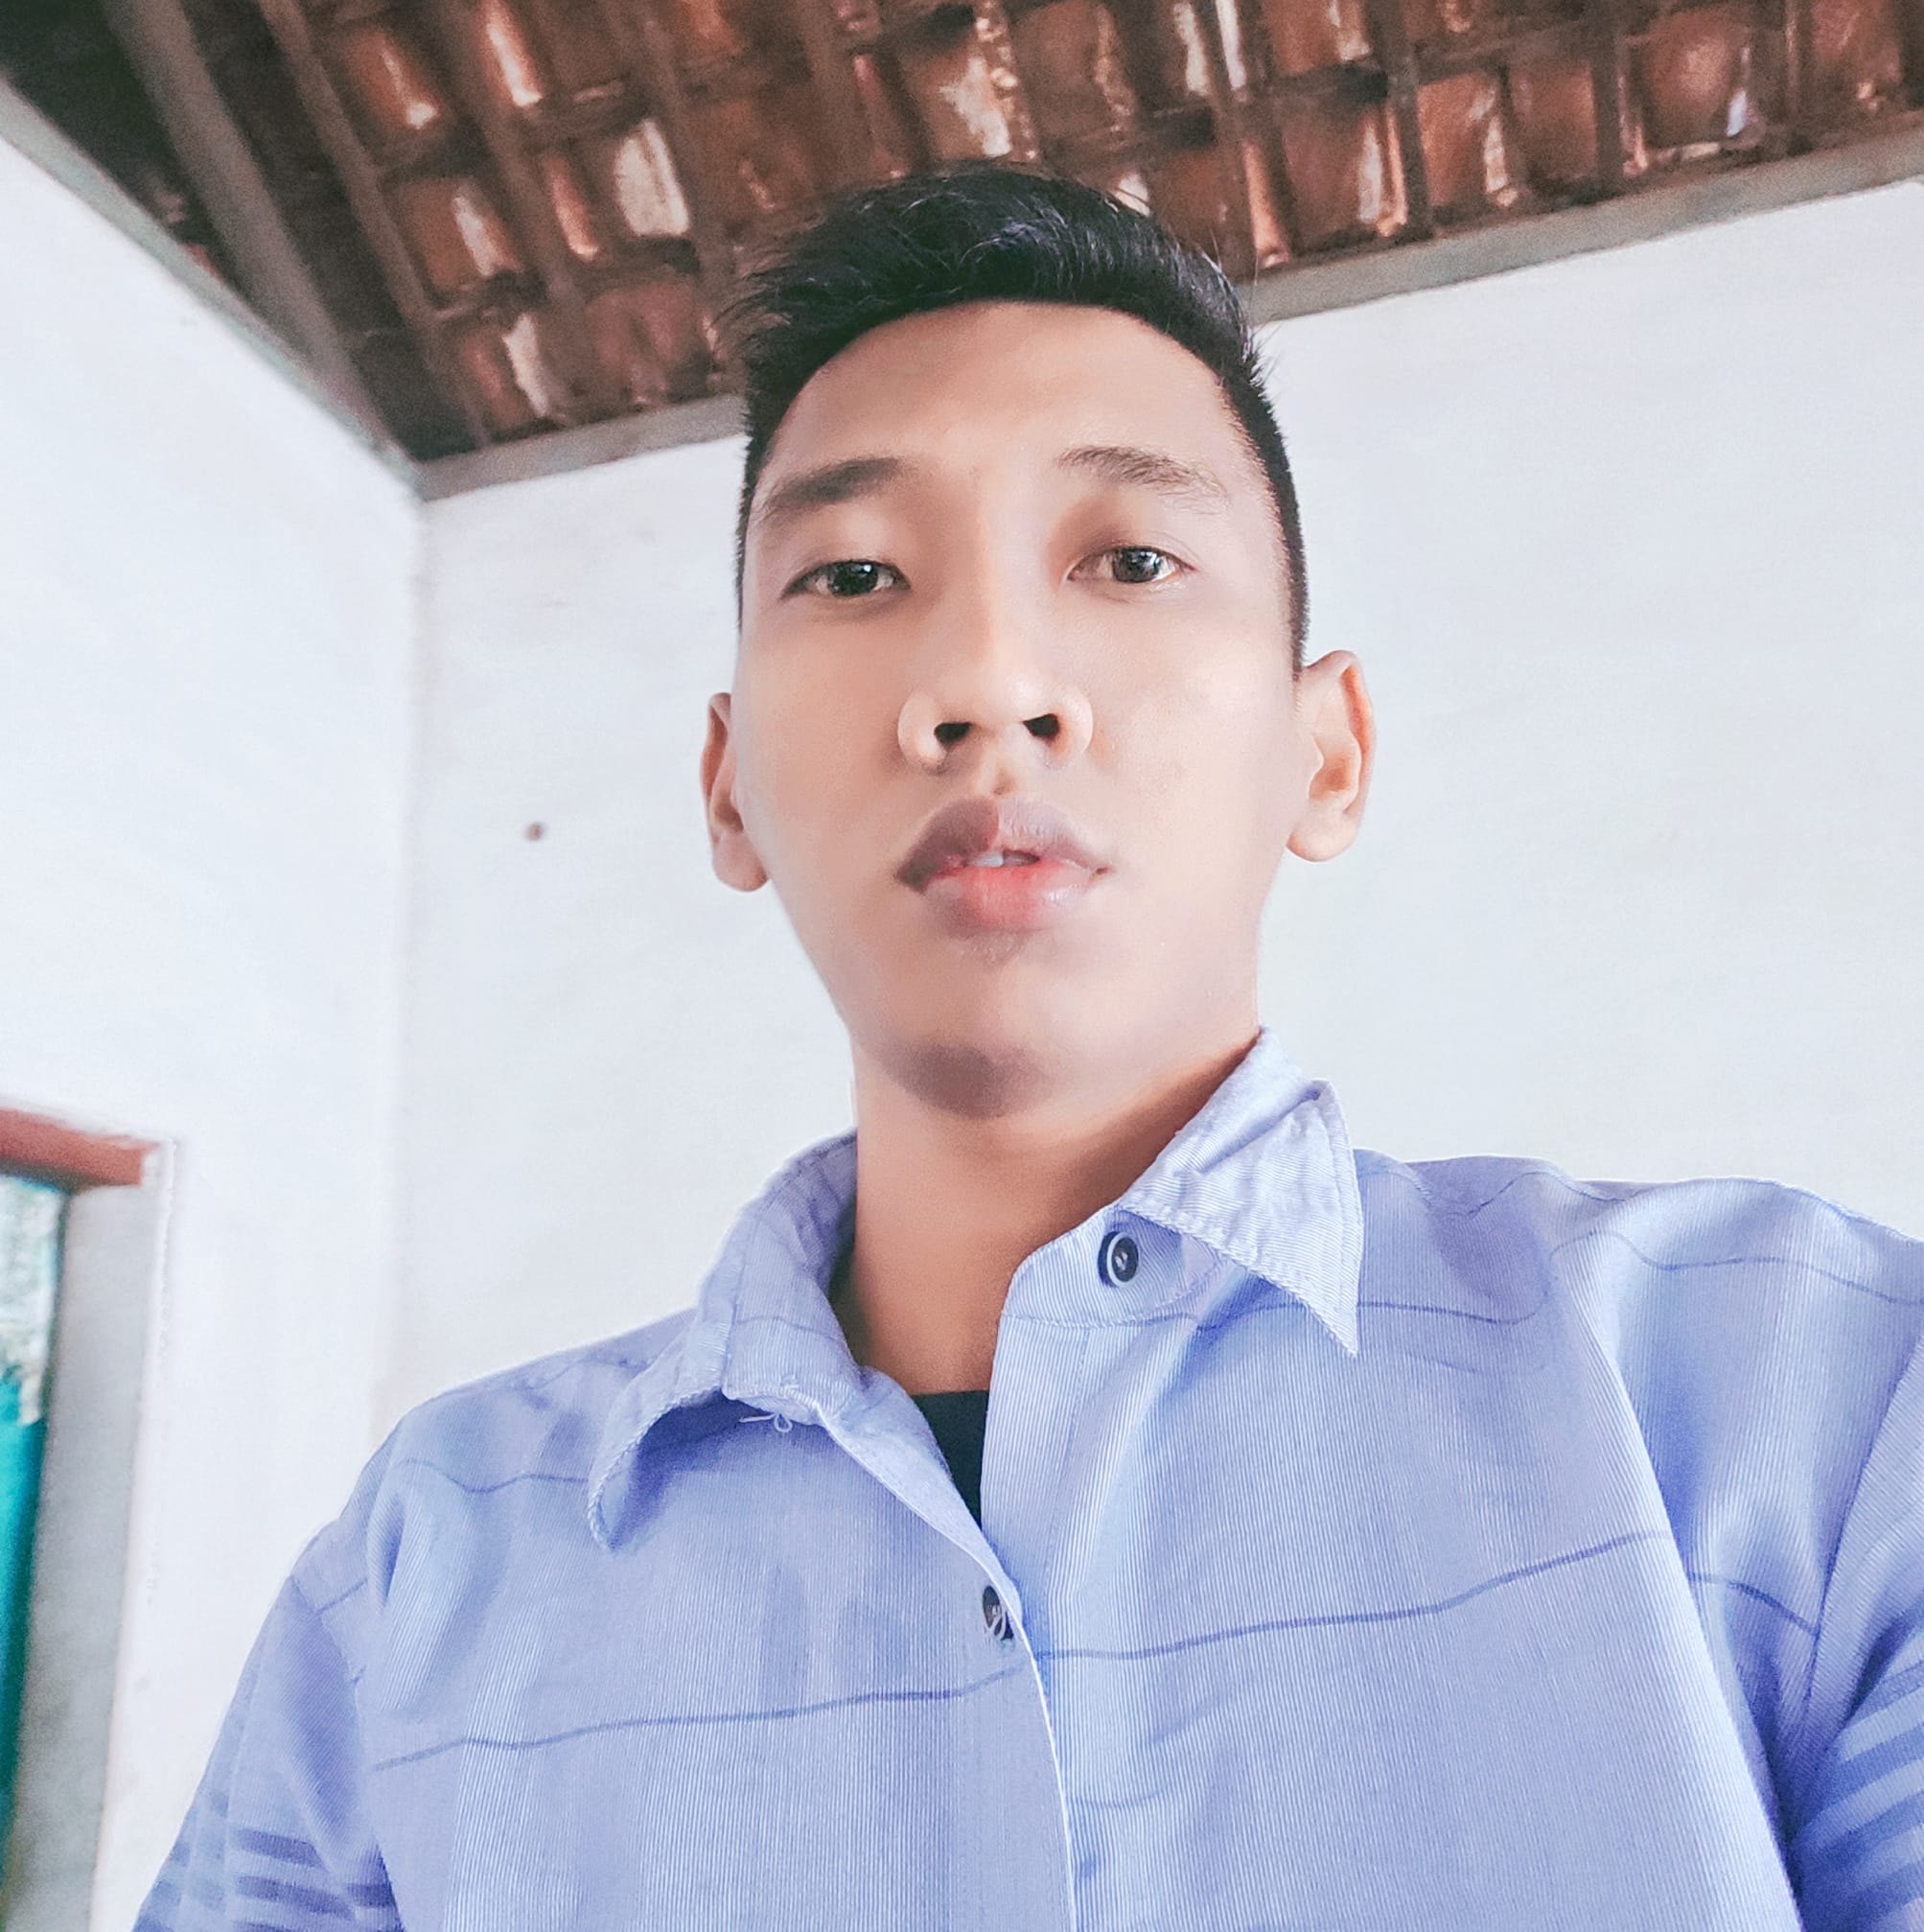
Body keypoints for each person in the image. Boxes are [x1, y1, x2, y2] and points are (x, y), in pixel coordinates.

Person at [138, 162, 1922, 1931]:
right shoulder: (420, 1575)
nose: (990, 683)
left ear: (1325, 755)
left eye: (1131, 559)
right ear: (728, 787)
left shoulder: (1820, 1417)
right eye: (854, 573)